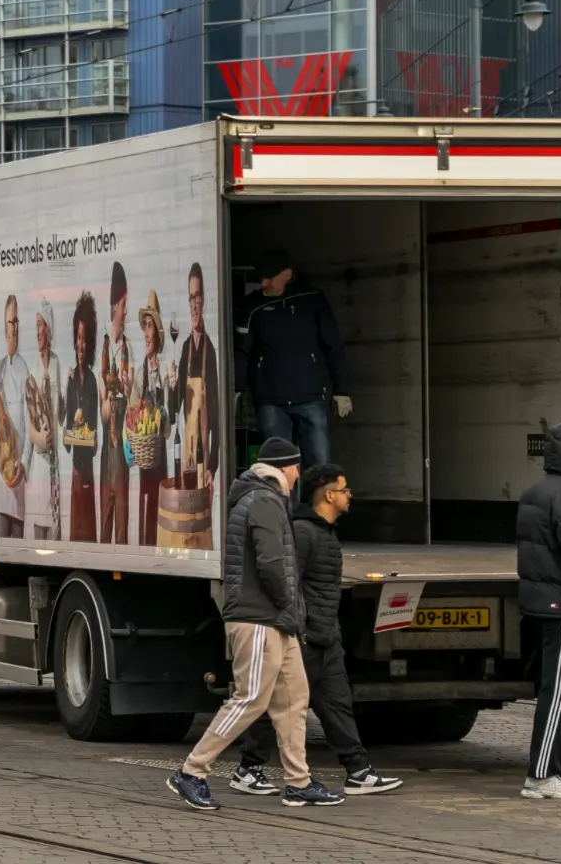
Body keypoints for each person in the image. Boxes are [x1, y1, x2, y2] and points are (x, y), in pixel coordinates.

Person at [167, 437, 342, 811]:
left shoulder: (264, 498)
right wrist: (288, 606)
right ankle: (192, 771)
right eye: (297, 467)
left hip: (276, 618)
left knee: (294, 699)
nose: (299, 475)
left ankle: (298, 782)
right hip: (260, 617)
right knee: (250, 698)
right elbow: (272, 563)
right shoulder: (264, 500)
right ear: (285, 467)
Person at [233, 464, 404, 797]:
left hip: (327, 637)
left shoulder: (324, 532)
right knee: (280, 705)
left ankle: (357, 770)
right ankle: (248, 768)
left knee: (337, 704)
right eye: (344, 489)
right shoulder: (304, 533)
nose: (349, 495)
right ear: (328, 495)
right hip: (307, 637)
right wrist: (301, 629)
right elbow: (287, 582)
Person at [236, 248, 350, 469]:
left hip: (310, 396)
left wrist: (342, 389)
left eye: (270, 278)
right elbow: (242, 351)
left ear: (287, 274)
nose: (265, 284)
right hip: (270, 400)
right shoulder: (252, 306)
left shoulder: (312, 299)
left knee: (320, 464)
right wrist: (236, 387)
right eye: (262, 279)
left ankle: (317, 504)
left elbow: (333, 345)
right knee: (280, 467)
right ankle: (284, 505)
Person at [517, 421, 561, 798]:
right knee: (558, 690)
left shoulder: (539, 490)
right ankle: (541, 775)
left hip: (549, 600)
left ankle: (554, 770)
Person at [173, 263, 223, 503]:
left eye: (197, 297)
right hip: (188, 453)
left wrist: (213, 465)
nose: (193, 305)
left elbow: (217, 414)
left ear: (203, 300)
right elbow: (175, 408)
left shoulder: (210, 350)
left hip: (204, 453)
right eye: (190, 298)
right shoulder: (184, 348)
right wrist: (172, 385)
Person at [98, 264, 133, 544]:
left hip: (122, 447)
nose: (126, 310)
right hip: (106, 451)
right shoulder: (105, 347)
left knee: (122, 515)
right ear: (115, 307)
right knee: (106, 518)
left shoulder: (128, 349)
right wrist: (109, 395)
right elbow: (103, 411)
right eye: (123, 305)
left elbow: (132, 399)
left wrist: (126, 388)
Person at [0, 297, 30, 538]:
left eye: (16, 321)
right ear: (4, 328)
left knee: (17, 537)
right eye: (9, 321)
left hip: (18, 470)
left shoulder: (25, 369)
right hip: (2, 468)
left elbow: (28, 419)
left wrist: (23, 463)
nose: (13, 327)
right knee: (2, 537)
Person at [25, 301, 63, 540]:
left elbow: (61, 414)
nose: (38, 331)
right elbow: (29, 426)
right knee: (41, 531)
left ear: (48, 329)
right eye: (36, 325)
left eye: (41, 325)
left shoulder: (58, 364)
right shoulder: (32, 370)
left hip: (55, 466)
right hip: (40, 466)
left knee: (57, 532)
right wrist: (40, 438)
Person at [64, 293, 100, 543]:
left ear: (90, 344)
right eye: (77, 338)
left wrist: (87, 430)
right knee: (75, 538)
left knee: (89, 539)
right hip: (76, 473)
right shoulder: (70, 382)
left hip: (89, 474)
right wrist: (72, 426)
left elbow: (95, 441)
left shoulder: (93, 382)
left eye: (84, 340)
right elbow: (67, 443)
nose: (80, 345)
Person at [135, 290, 169, 547]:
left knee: (161, 512)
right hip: (144, 457)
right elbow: (131, 415)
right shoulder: (139, 374)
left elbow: (169, 425)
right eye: (144, 326)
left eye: (150, 326)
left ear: (157, 333)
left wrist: (164, 414)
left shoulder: (167, 371)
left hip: (161, 456)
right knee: (144, 509)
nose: (146, 333)